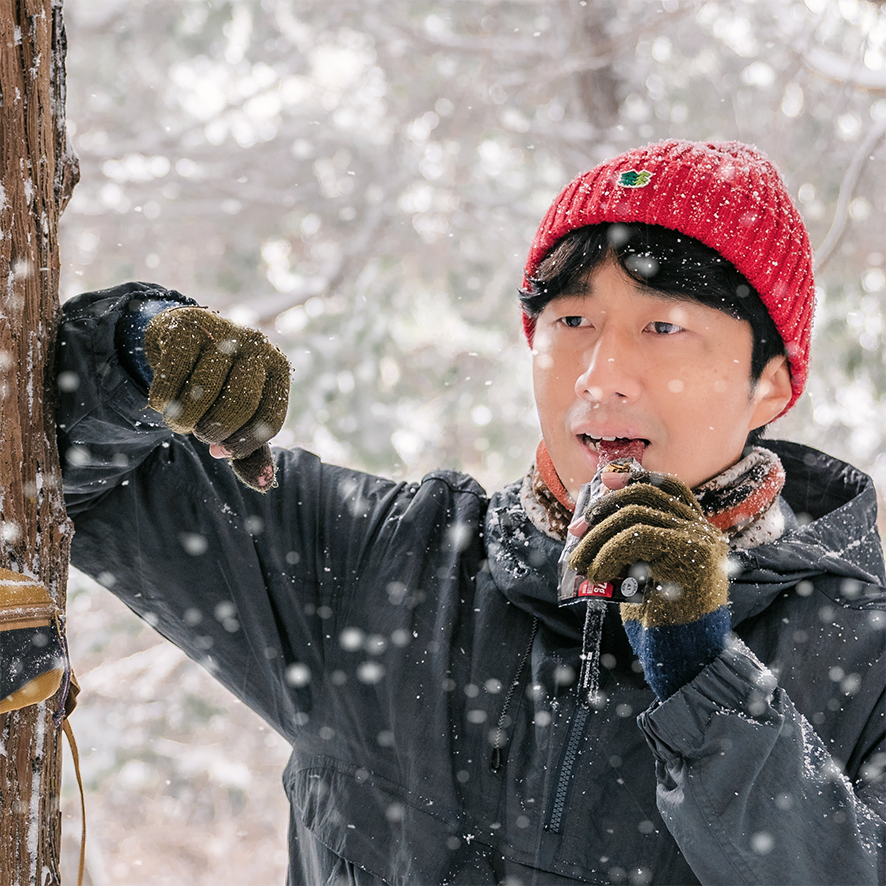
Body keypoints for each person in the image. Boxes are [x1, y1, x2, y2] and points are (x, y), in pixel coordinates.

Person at [56, 140, 886, 885]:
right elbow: (64, 478)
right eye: (572, 320)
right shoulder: (389, 566)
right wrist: (136, 350)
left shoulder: (865, 666)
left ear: (770, 382)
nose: (600, 374)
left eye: (662, 325)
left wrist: (708, 681)